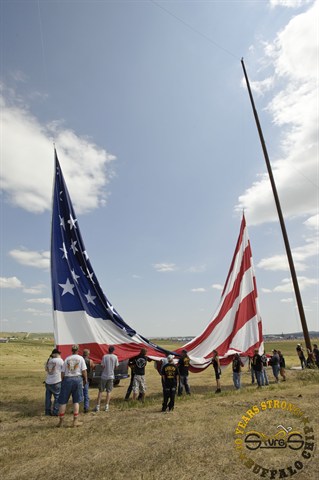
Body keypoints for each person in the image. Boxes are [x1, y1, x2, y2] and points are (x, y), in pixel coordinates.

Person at [57, 345, 87, 427]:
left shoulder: (67, 359)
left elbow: (62, 372)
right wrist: (85, 379)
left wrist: (62, 380)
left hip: (67, 379)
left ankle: (61, 421)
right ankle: (75, 421)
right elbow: (84, 371)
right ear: (78, 350)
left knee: (63, 401)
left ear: (71, 350)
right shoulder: (80, 358)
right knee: (76, 400)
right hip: (77, 379)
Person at [94, 346, 119, 412]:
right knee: (109, 391)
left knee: (100, 391)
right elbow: (116, 367)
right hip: (111, 376)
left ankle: (98, 406)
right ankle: (106, 406)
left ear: (108, 350)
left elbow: (102, 365)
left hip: (104, 376)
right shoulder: (115, 357)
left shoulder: (104, 356)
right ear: (113, 350)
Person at [44, 348, 63, 416]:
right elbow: (63, 369)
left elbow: (46, 369)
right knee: (57, 397)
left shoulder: (49, 361)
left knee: (48, 398)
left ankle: (47, 412)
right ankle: (55, 411)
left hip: (48, 381)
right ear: (55, 354)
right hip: (56, 381)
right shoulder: (60, 360)